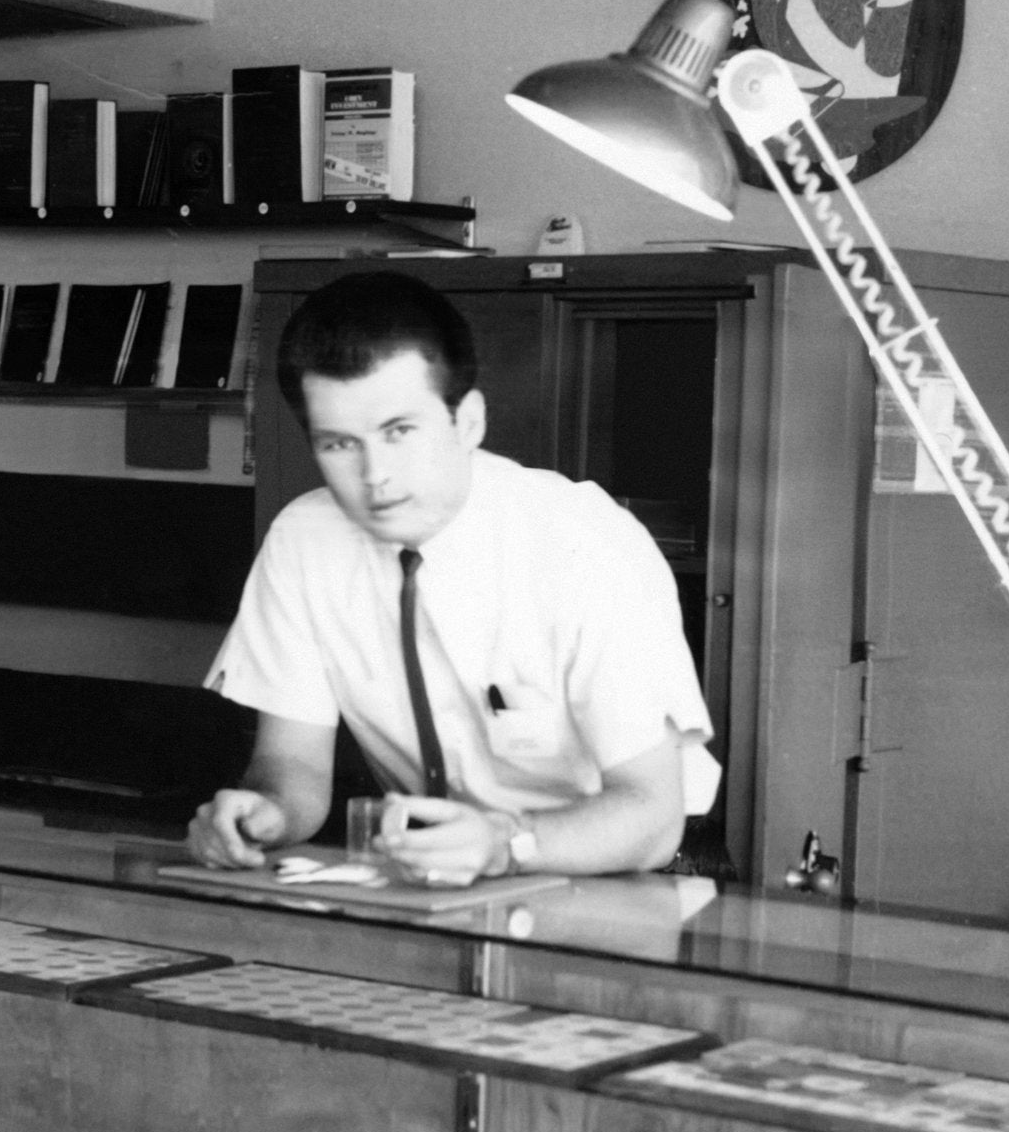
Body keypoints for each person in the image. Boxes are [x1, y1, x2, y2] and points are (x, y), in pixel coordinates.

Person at [188, 270, 718, 886]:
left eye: (399, 432)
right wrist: (263, 815)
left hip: (627, 866)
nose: (375, 474)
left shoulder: (583, 541)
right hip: (441, 867)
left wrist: (506, 846)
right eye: (339, 444)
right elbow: (291, 764)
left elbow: (651, 817)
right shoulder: (303, 541)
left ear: (468, 421)